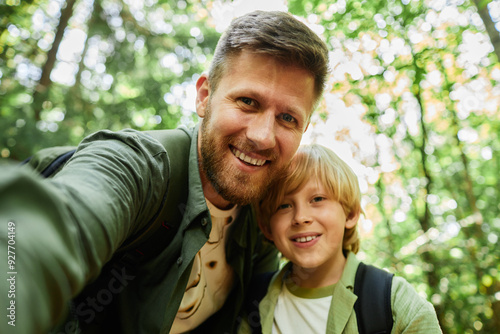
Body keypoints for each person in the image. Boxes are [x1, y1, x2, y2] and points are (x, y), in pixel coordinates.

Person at [0, 10, 329, 334]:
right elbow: (50, 235)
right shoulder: (139, 166)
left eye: (288, 118)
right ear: (204, 96)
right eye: (247, 101)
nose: (262, 136)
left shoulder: (264, 218)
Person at [241, 144, 442, 333]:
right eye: (284, 205)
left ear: (350, 214)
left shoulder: (394, 302)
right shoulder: (253, 301)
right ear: (266, 227)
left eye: (317, 199)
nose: (301, 217)